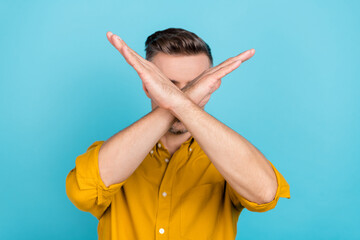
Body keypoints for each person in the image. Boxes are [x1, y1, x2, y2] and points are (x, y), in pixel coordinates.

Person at [65, 28, 291, 240]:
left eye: (195, 85)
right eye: (169, 85)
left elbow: (265, 194)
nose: (182, 95)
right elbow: (81, 193)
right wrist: (184, 103)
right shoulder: (115, 152)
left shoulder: (227, 156)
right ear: (147, 87)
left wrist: (175, 102)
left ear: (210, 89)